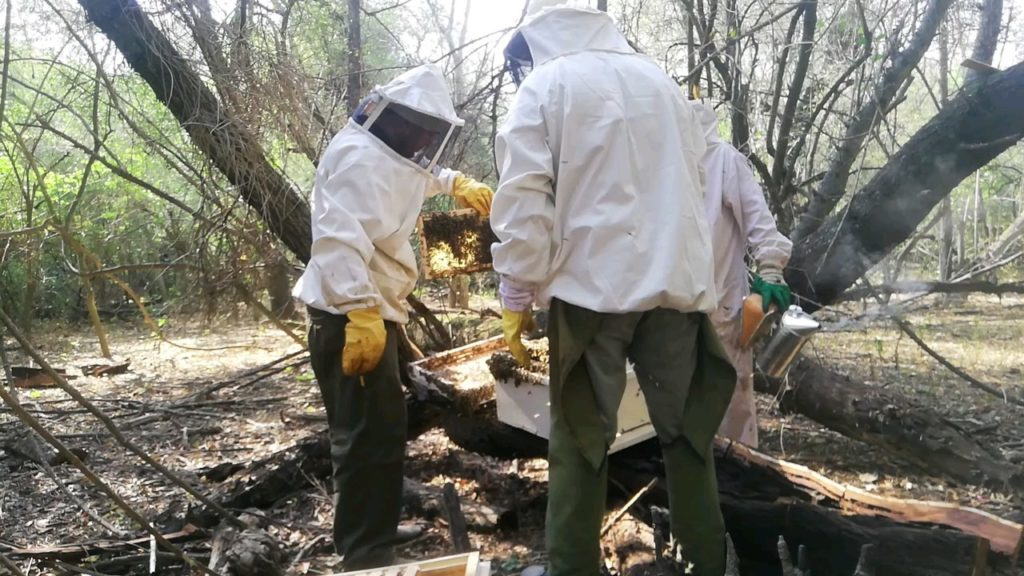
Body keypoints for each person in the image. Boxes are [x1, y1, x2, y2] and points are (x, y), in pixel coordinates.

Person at [490, 5, 737, 576]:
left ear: (534, 46)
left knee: (580, 439)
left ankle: (571, 568)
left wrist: (516, 290)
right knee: (688, 438)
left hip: (590, 296)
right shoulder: (662, 82)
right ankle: (707, 564)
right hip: (674, 292)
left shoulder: (544, 87)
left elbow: (525, 201)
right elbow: (693, 186)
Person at [292, 64, 493, 571]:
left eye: (433, 132)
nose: (426, 139)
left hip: (367, 312)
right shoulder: (360, 160)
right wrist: (360, 310)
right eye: (419, 127)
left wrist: (453, 182)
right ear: (394, 119)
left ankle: (374, 530)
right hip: (349, 318)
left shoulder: (390, 155)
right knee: (364, 438)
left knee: (381, 429)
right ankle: (364, 555)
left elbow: (412, 178)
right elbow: (337, 243)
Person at [690, 99, 793, 448]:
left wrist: (770, 268)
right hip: (668, 311)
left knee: (731, 400)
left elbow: (760, 223)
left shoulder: (723, 160)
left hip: (723, 308)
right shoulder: (656, 165)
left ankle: (740, 480)